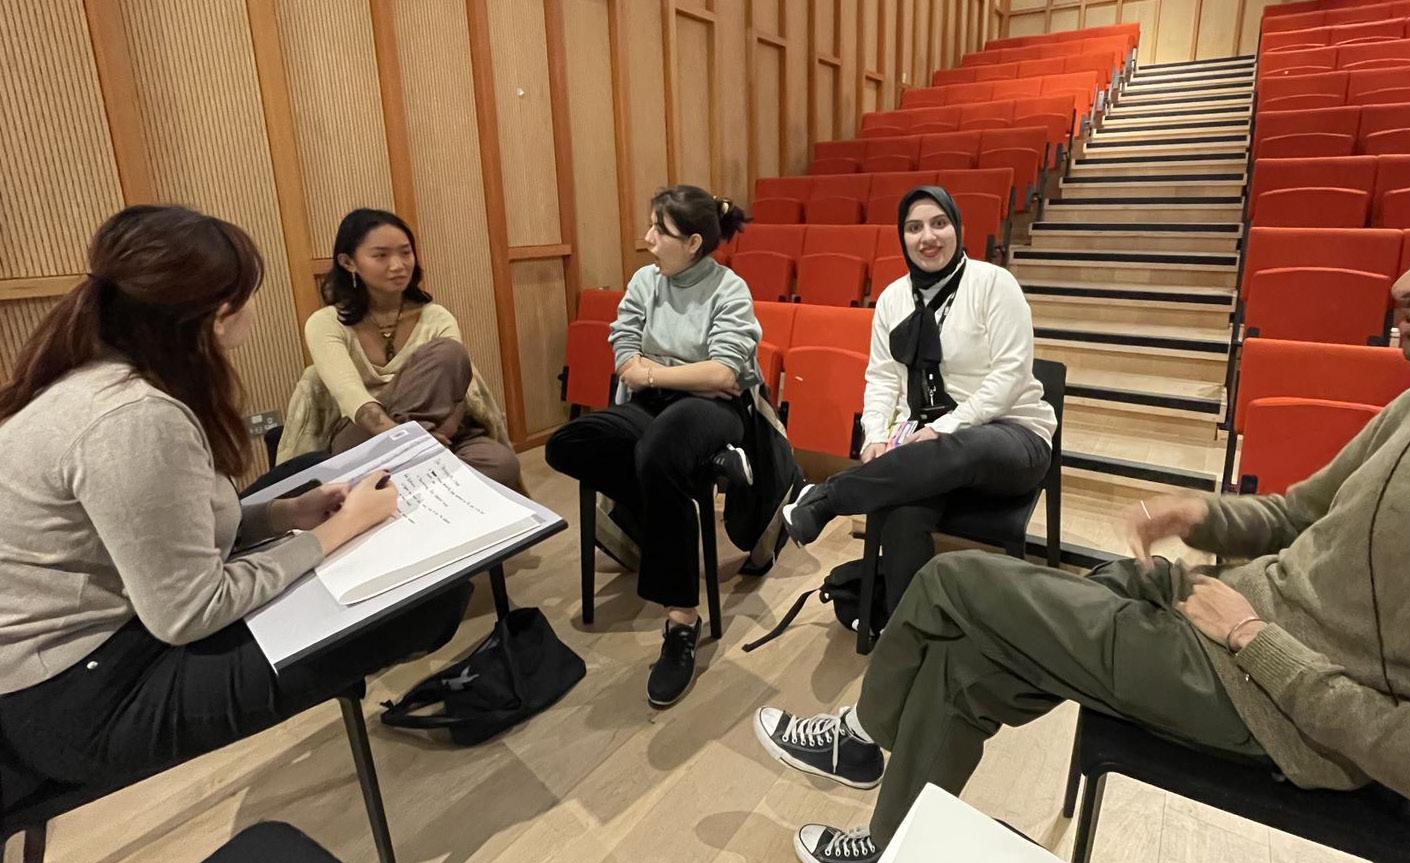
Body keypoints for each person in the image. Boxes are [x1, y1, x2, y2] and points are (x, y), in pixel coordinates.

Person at [752, 188, 1410, 863]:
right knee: (965, 656)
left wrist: (1257, 642)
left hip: (1284, 709)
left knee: (956, 587)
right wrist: (1204, 516)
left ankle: (866, 739)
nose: (1409, 283)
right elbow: (1297, 517)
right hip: (1228, 618)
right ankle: (892, 845)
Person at [0, 205, 473, 797]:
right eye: (249, 297)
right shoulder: (134, 419)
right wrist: (333, 532)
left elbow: (169, 527)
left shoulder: (102, 376)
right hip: (86, 692)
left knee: (298, 477)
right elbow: (189, 612)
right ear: (219, 315)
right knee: (429, 599)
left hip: (112, 636)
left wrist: (282, 515)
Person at [546, 185, 797, 710]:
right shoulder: (646, 281)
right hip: (657, 401)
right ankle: (671, 508)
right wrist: (673, 374)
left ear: (694, 242)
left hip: (716, 411)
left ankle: (681, 619)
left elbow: (724, 375)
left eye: (660, 231)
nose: (647, 239)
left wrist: (653, 372)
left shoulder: (729, 289)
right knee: (569, 444)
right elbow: (624, 350)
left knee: (659, 451)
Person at [779, 186, 1056, 615]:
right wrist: (875, 436)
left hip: (1011, 439)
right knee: (901, 510)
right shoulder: (893, 298)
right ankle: (909, 628)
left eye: (938, 223)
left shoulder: (994, 284)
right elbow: (881, 378)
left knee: (963, 446)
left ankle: (828, 498)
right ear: (902, 237)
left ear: (957, 227)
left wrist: (941, 429)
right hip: (927, 449)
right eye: (914, 228)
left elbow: (1010, 377)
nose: (927, 237)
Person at [279, 208, 520, 490]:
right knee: (445, 470)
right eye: (381, 255)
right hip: (365, 438)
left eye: (405, 253)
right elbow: (352, 398)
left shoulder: (435, 317)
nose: (398, 265)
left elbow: (458, 393)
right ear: (348, 262)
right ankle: (415, 477)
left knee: (501, 463)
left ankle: (406, 482)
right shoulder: (325, 323)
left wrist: (433, 441)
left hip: (437, 432)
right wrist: (410, 445)